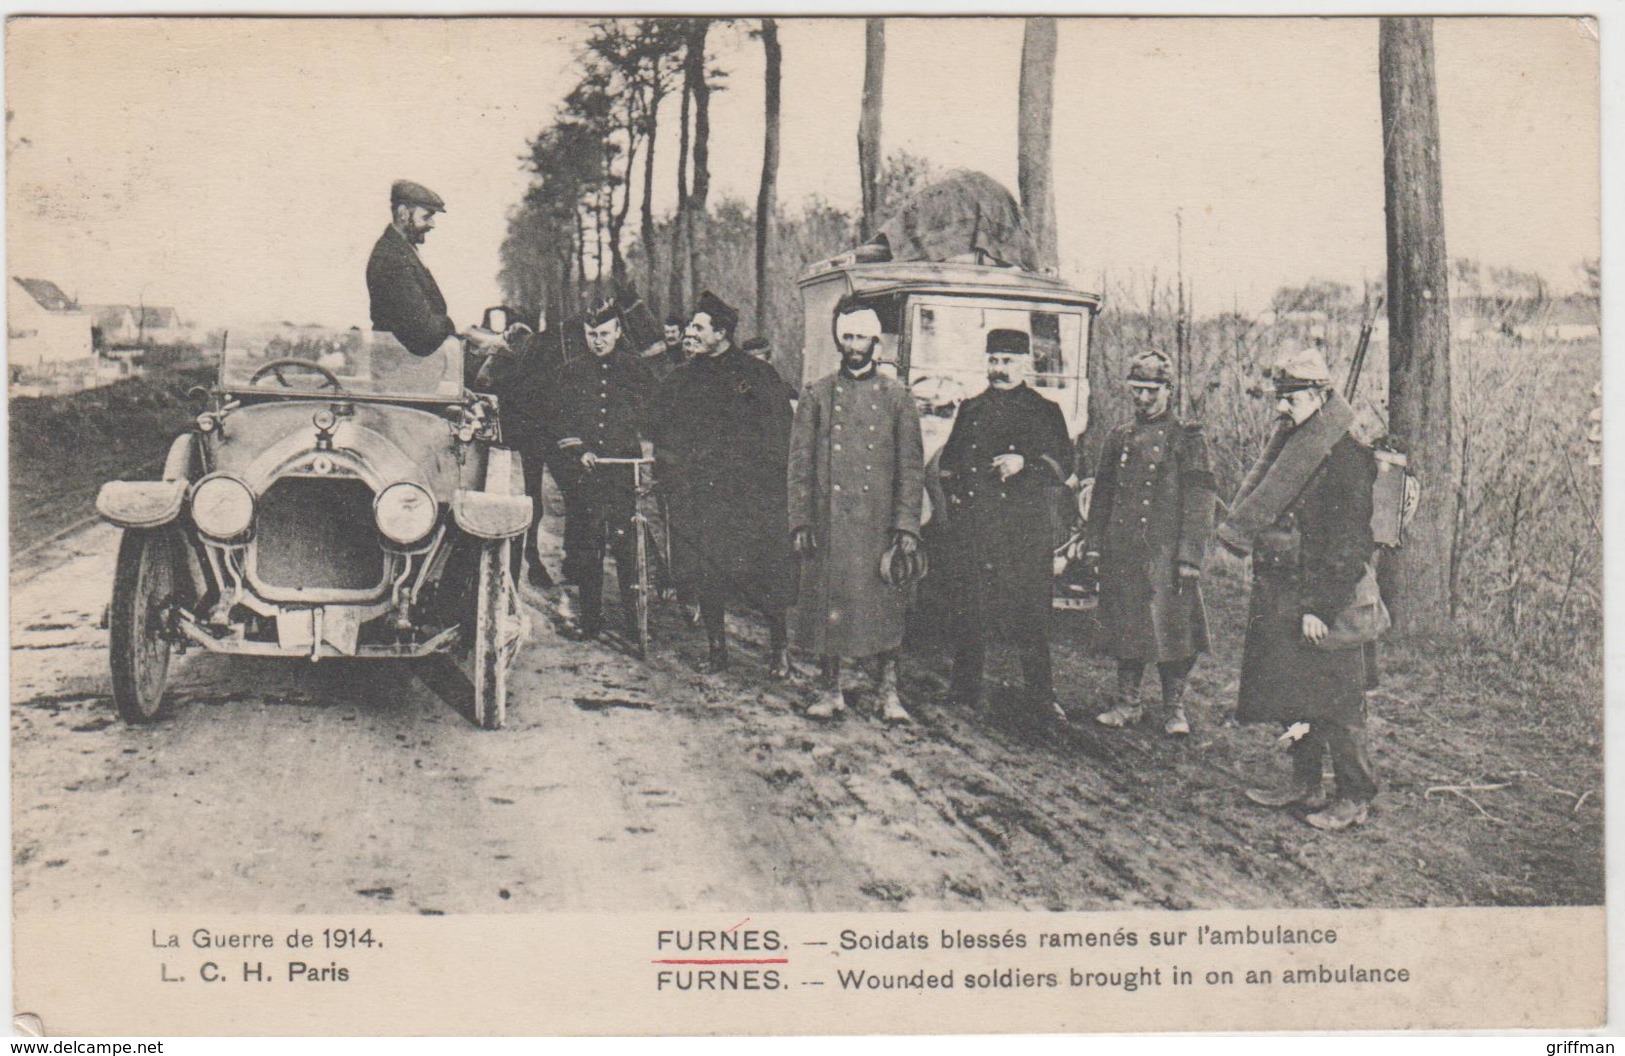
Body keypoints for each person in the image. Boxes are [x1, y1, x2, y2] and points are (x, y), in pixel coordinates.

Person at [1219, 347, 1379, 832]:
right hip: (1286, 593)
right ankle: (1305, 782)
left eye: (1292, 399)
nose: (1280, 409)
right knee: (1292, 696)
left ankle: (1354, 795)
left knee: (1338, 703)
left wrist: (1320, 608)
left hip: (1330, 600)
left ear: (1322, 396)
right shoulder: (1295, 444)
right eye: (1280, 398)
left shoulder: (1347, 456)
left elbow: (1350, 545)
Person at [789, 298, 925, 723]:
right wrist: (800, 519)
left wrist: (906, 524)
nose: (852, 346)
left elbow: (910, 466)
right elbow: (799, 464)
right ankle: (830, 689)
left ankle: (888, 692)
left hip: (878, 526)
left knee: (885, 608)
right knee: (829, 607)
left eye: (860, 338)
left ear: (875, 342)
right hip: (830, 523)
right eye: (846, 337)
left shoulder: (898, 397)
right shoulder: (818, 394)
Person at [654, 292, 797, 675]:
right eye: (690, 327)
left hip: (752, 495)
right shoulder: (682, 378)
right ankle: (717, 651)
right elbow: (660, 429)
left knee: (767, 574)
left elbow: (781, 434)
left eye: (698, 328)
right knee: (709, 571)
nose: (690, 334)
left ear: (721, 333)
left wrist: (768, 484)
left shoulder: (758, 375)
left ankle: (779, 649)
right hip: (704, 494)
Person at [937, 329, 1072, 725]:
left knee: (1031, 613)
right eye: (993, 360)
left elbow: (1065, 463)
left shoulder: (1045, 410)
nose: (998, 369)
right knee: (971, 608)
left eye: (1007, 361)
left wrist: (1024, 465)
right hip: (979, 526)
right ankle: (963, 690)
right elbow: (948, 465)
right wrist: (959, 499)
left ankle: (1041, 697)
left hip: (1025, 530)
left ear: (1026, 364)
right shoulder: (972, 409)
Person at [1086, 350, 1215, 736]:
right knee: (1126, 626)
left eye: (1151, 391)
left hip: (1166, 554)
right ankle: (1128, 702)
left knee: (1173, 632)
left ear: (1168, 390)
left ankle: (1174, 709)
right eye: (1136, 390)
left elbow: (1200, 500)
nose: (1142, 399)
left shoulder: (1187, 439)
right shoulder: (1118, 437)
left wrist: (1190, 556)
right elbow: (1102, 496)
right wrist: (1094, 545)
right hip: (1123, 549)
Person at [552, 298, 658, 639]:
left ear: (618, 332)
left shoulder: (636, 369)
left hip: (622, 471)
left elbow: (654, 413)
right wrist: (578, 450)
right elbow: (561, 420)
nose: (597, 341)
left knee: (627, 548)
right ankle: (591, 622)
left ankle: (633, 624)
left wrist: (653, 446)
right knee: (588, 547)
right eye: (590, 334)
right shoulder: (571, 371)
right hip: (588, 473)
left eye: (603, 334)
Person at [364, 179, 505, 376]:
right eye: (426, 216)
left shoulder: (400, 250)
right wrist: (461, 329)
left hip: (410, 370)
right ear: (403, 213)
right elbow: (424, 331)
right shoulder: (392, 258)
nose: (432, 224)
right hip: (404, 375)